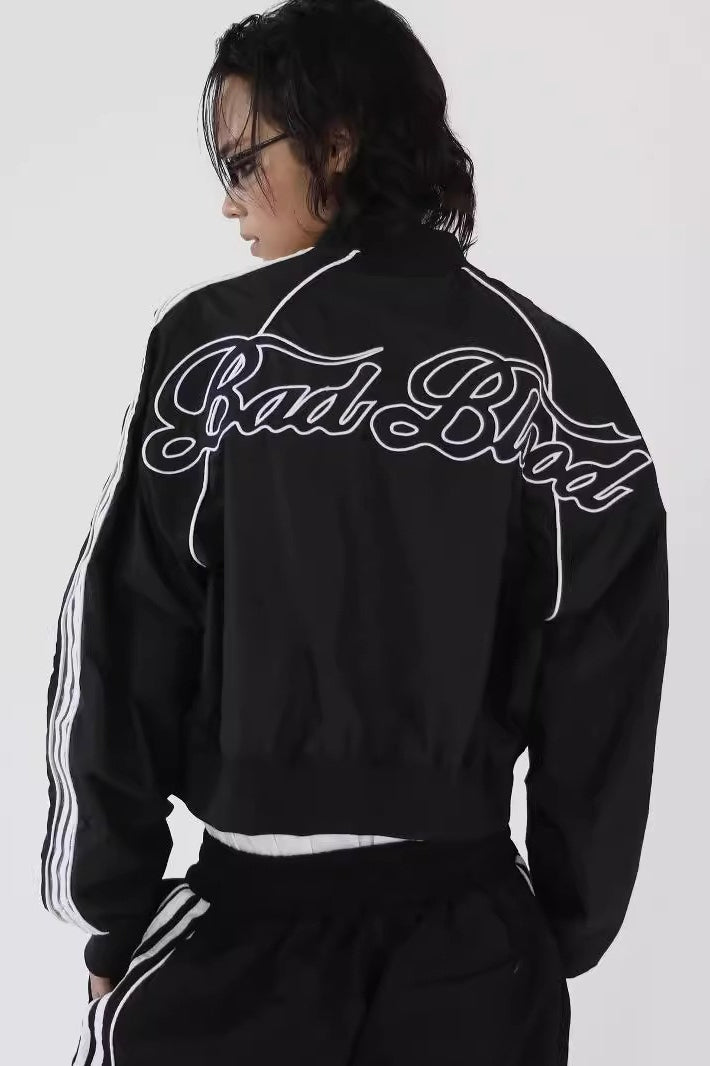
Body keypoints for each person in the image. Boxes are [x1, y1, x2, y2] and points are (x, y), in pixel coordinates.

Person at [40, 1, 669, 1062]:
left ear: (335, 143)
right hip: (476, 954)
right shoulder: (556, 373)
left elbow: (122, 638)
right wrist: (562, 922)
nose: (229, 200)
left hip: (246, 946)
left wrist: (112, 904)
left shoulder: (220, 350)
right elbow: (607, 675)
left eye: (243, 161)